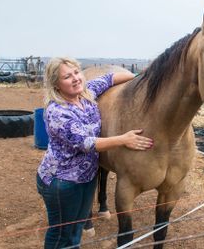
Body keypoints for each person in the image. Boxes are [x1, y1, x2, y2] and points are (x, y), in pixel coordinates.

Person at [36, 57, 153, 249]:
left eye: (76, 72)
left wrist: (140, 77)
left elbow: (109, 79)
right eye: (67, 76)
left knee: (76, 229)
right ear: (56, 85)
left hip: (86, 177)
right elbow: (86, 143)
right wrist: (124, 139)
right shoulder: (56, 112)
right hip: (62, 182)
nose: (75, 78)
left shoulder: (86, 92)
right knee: (60, 234)